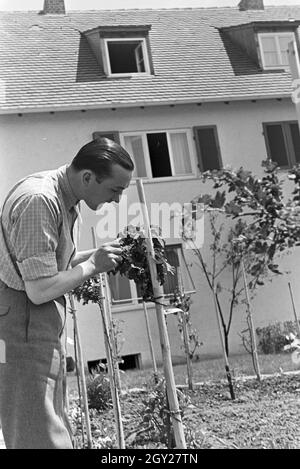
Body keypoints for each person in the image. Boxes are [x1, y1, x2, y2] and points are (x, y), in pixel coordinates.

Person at [0, 138, 134, 449]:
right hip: (23, 321)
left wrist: (97, 255)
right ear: (88, 177)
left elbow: (51, 265)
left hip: (32, 320)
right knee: (37, 431)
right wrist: (93, 267)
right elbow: (38, 288)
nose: (116, 200)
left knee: (48, 421)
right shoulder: (39, 201)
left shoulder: (64, 199)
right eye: (115, 190)